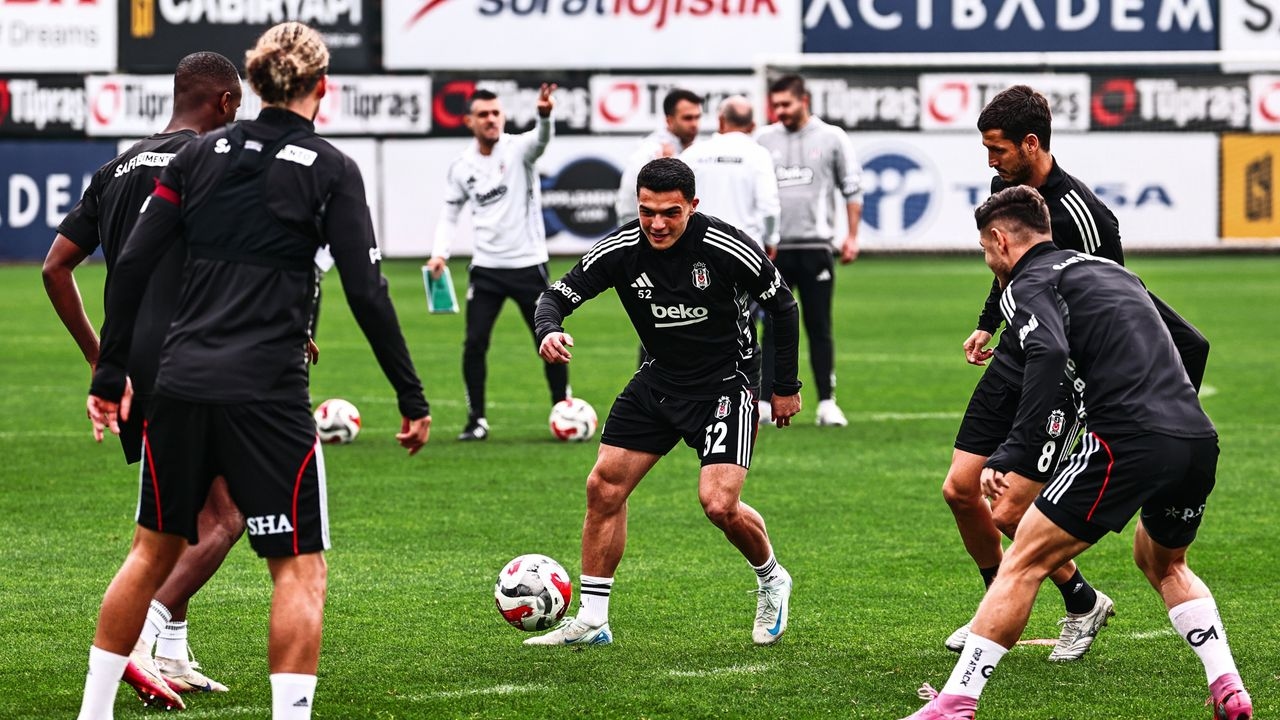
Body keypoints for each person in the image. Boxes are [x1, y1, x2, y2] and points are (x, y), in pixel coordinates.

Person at [79, 22, 432, 720]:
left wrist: (107, 370)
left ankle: (93, 713)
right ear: (320, 88)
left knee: (149, 553)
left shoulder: (197, 157)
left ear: (256, 83)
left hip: (178, 384)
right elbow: (366, 288)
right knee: (299, 569)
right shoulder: (330, 167)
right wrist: (410, 392)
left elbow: (131, 266)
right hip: (267, 394)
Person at [901, 185, 1252, 720]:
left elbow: (1049, 350)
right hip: (1196, 439)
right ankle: (1227, 683)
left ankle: (954, 704)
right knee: (1162, 561)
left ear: (1000, 241)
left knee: (1020, 560)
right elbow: (1194, 343)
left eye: (983, 249)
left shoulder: (1025, 284)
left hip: (1125, 441)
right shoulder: (1114, 272)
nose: (987, 259)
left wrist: (1015, 450)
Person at [526, 157, 802, 647]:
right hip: (658, 380)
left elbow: (782, 303)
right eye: (647, 211)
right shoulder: (620, 247)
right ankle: (592, 619)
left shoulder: (725, 245)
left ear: (692, 206)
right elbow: (556, 295)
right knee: (604, 487)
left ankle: (772, 578)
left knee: (719, 505)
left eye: (670, 212)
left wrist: (785, 387)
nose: (656, 223)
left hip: (726, 383)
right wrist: (549, 330)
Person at [43, 51, 244, 711]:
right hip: (201, 359)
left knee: (173, 517)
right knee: (228, 513)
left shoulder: (117, 167)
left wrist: (104, 358)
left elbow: (55, 268)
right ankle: (143, 631)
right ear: (222, 103)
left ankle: (173, 654)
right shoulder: (212, 162)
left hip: (136, 365)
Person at [940, 84, 1124, 661]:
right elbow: (1007, 269)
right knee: (960, 490)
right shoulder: (1008, 191)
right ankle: (1039, 600)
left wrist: (1096, 391)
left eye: (997, 149)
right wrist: (989, 322)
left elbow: (1113, 300)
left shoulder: (1084, 215)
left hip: (1063, 374)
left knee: (1011, 507)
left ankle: (1060, 607)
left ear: (1031, 143)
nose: (990, 161)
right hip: (1016, 357)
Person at [426, 84, 569, 441]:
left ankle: (562, 410)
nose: (491, 120)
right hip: (487, 268)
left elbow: (541, 141)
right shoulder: (462, 166)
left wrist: (545, 115)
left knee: (549, 339)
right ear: (469, 121)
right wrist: (439, 251)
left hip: (528, 265)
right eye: (483, 115)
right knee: (474, 343)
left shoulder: (518, 149)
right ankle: (476, 420)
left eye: (495, 113)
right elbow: (450, 212)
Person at [756, 74, 862, 427]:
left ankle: (827, 402)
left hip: (816, 246)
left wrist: (852, 236)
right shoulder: (763, 140)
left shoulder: (832, 137)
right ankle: (765, 402)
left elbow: (852, 189)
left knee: (819, 325)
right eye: (776, 105)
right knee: (772, 325)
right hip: (774, 249)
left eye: (786, 104)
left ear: (805, 101)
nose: (780, 111)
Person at [678, 94, 779, 252]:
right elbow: (769, 207)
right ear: (752, 126)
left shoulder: (692, 154)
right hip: (745, 248)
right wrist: (771, 240)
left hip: (701, 246)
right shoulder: (758, 155)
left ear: (720, 120)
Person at [614, 88, 703, 227]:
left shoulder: (699, 149)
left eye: (697, 117)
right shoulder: (650, 151)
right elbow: (627, 206)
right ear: (669, 120)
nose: (694, 124)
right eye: (687, 118)